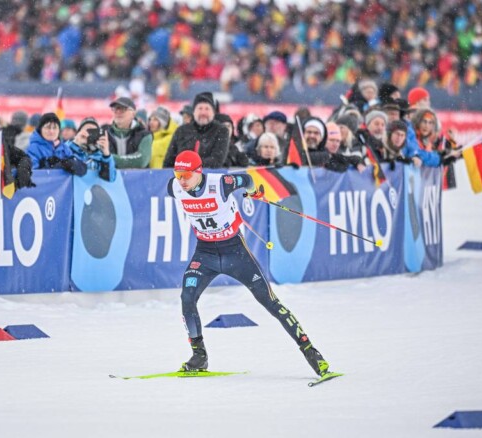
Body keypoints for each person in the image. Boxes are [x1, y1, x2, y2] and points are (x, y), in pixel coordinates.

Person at [167, 149, 333, 378]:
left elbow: (246, 179)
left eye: (186, 175)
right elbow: (177, 185)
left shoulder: (221, 183)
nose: (182, 181)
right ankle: (199, 356)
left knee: (270, 302)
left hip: (235, 252)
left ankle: (311, 353)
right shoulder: (173, 187)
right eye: (178, 174)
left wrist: (253, 192)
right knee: (187, 298)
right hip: (205, 253)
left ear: (199, 171)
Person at [163, 91, 230, 169]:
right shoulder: (181, 131)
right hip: (182, 178)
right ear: (194, 112)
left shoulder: (221, 131)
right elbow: (169, 161)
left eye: (207, 109)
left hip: (209, 177)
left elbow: (217, 160)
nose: (203, 113)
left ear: (213, 112)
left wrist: (191, 165)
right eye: (200, 108)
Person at [105, 96, 152, 169]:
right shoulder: (105, 133)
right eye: (115, 109)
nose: (118, 112)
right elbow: (99, 158)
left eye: (122, 109)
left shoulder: (144, 135)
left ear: (133, 114)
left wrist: (109, 158)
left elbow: (141, 161)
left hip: (137, 179)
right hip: (111, 179)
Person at [67, 117, 116, 181]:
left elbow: (110, 178)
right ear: (78, 133)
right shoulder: (68, 148)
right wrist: (75, 145)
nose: (89, 134)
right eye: (87, 130)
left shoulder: (100, 155)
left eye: (93, 131)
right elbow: (62, 160)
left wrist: (106, 154)